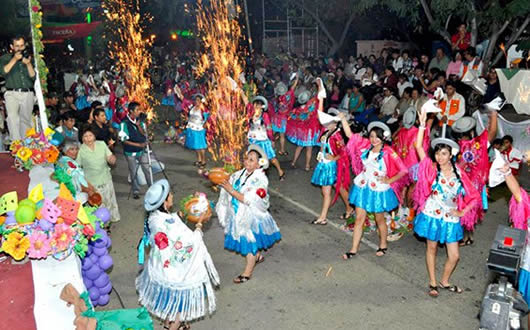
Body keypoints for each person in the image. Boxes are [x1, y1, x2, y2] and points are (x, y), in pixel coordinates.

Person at [413, 107, 479, 297]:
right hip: (432, 214)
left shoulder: (460, 173)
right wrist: (423, 125)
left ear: (451, 155)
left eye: (444, 154)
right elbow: (418, 148)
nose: (439, 157)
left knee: (454, 256)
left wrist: (462, 211)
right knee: (431, 247)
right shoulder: (432, 169)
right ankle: (433, 282)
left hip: (451, 217)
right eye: (438, 153)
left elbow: (474, 196)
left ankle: (445, 281)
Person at [137, 179, 219, 330]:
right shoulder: (168, 223)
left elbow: (174, 218)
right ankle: (173, 326)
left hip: (160, 267)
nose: (172, 196)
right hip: (175, 273)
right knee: (179, 308)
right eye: (170, 195)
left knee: (170, 301)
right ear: (164, 202)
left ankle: (170, 323)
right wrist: (199, 225)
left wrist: (190, 204)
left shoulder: (155, 217)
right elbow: (188, 243)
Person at [340, 117, 407, 258]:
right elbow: (350, 136)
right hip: (363, 187)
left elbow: (403, 170)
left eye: (377, 137)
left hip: (378, 189)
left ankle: (383, 244)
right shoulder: (365, 145)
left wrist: (389, 180)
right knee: (359, 219)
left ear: (384, 137)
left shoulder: (389, 151)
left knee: (379, 219)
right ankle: (353, 249)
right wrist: (342, 119)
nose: (374, 139)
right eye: (371, 136)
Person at [216, 145, 282, 283]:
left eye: (251, 160)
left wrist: (230, 190)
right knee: (252, 241)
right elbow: (231, 180)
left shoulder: (261, 180)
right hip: (238, 213)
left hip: (250, 217)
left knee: (248, 244)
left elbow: (248, 199)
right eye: (247, 158)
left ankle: (247, 272)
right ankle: (257, 256)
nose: (247, 162)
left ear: (259, 165)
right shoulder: (241, 173)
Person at [310, 100, 352, 225]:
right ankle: (345, 210)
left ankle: (346, 209)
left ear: (335, 123)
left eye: (330, 121)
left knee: (335, 189)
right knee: (332, 189)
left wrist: (333, 158)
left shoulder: (336, 135)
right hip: (323, 164)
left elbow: (344, 152)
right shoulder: (326, 131)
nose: (327, 123)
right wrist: (321, 97)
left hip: (331, 166)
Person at [77, 126, 120, 222]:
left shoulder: (101, 144)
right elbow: (77, 169)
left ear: (94, 136)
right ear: (82, 138)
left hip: (106, 179)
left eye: (90, 135)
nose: (88, 139)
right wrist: (85, 186)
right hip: (92, 184)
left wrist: (112, 159)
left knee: (109, 202)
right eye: (85, 136)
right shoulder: (80, 150)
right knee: (99, 206)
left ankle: (110, 221)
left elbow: (109, 157)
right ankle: (103, 225)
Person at [0, 35, 36, 142]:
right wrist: (15, 59)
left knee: (26, 120)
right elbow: (3, 71)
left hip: (27, 93)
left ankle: (26, 145)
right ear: (12, 46)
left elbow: (33, 77)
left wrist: (29, 64)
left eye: (22, 45)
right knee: (12, 118)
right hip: (12, 92)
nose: (20, 48)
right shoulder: (5, 58)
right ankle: (16, 144)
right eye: (17, 46)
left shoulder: (29, 57)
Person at [244, 95, 285, 181]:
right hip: (253, 141)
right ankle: (256, 175)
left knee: (272, 159)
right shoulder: (250, 113)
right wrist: (246, 136)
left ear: (262, 107)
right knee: (253, 159)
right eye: (256, 104)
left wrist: (272, 140)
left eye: (259, 105)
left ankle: (280, 171)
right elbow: (248, 126)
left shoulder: (265, 116)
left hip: (263, 141)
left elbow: (269, 128)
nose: (257, 107)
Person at [118, 102, 153, 199]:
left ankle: (151, 187)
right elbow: (123, 140)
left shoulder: (140, 120)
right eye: (137, 110)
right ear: (131, 111)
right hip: (130, 152)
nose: (139, 112)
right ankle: (136, 190)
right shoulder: (124, 123)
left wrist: (138, 126)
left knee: (147, 168)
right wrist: (138, 144)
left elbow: (144, 134)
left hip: (142, 150)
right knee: (133, 171)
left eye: (139, 109)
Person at [271, 79, 296, 156]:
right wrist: (296, 80)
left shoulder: (276, 99)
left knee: (272, 134)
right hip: (283, 119)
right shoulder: (287, 97)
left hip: (276, 118)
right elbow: (292, 88)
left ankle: (271, 148)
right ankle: (282, 150)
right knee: (282, 136)